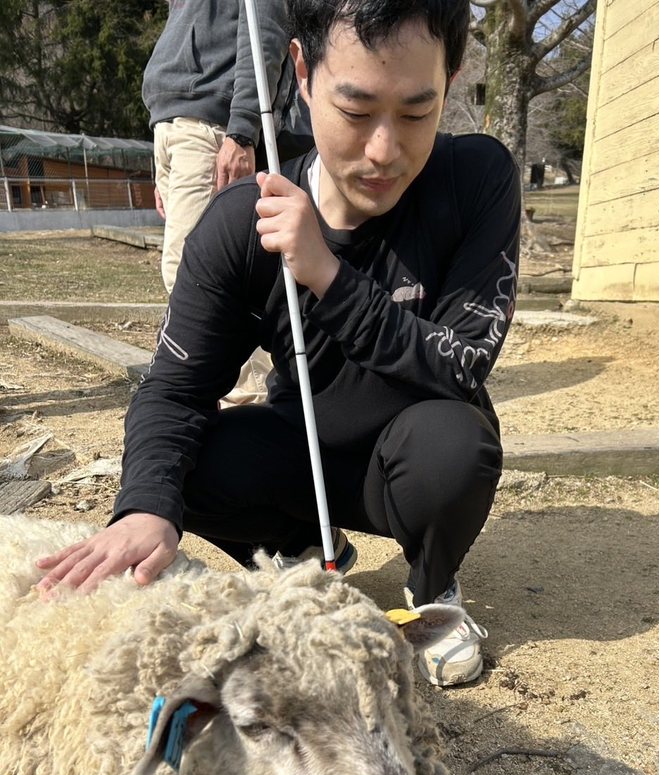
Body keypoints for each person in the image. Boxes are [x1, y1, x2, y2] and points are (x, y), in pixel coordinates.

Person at [36, 0, 521, 688]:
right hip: (303, 458)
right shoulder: (243, 222)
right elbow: (174, 388)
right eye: (355, 111)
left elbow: (463, 363)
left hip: (416, 454)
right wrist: (146, 505)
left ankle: (433, 586)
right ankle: (304, 551)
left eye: (417, 112)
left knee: (455, 445)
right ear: (301, 71)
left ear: (453, 76)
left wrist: (326, 272)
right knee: (186, 463)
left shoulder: (477, 178)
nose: (384, 150)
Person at [145, 0, 313, 406]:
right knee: (184, 270)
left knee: (209, 276)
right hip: (174, 123)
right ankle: (232, 393)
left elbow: (264, 29)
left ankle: (247, 401)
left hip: (214, 126)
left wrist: (242, 129)